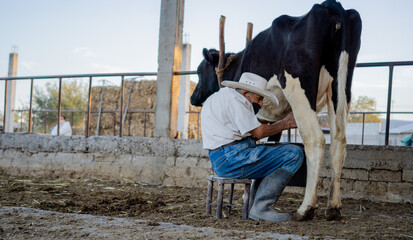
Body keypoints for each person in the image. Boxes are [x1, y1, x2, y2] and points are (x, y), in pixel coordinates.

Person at [201, 72, 304, 223]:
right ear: (245, 92)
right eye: (259, 98)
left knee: (273, 153)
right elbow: (259, 132)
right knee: (294, 153)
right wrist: (285, 123)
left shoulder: (219, 97)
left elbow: (247, 133)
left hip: (222, 158)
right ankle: (261, 208)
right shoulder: (236, 100)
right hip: (232, 158)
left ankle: (253, 204)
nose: (260, 103)